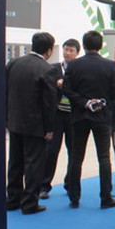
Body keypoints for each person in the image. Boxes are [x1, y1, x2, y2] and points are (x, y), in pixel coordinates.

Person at [63, 30, 115, 209]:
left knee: (76, 157)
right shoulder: (110, 66)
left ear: (84, 45)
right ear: (101, 46)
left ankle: (74, 197)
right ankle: (106, 197)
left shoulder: (73, 65)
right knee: (104, 157)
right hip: (102, 117)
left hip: (79, 116)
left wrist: (85, 103)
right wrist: (102, 103)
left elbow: (66, 89)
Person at [5, 31, 57, 215]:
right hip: (35, 125)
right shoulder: (47, 69)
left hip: (14, 121)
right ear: (49, 50)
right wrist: (49, 128)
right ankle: (29, 203)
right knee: (34, 164)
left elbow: (5, 91)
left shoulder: (13, 64)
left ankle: (12, 199)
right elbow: (49, 102)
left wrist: (6, 117)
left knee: (15, 162)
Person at [39, 38, 80, 199]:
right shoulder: (53, 68)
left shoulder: (79, 69)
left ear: (77, 53)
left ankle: (70, 184)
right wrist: (55, 84)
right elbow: (45, 88)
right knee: (51, 151)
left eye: (71, 51)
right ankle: (44, 186)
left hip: (73, 116)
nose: (67, 53)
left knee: (74, 152)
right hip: (56, 115)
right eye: (65, 49)